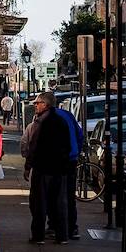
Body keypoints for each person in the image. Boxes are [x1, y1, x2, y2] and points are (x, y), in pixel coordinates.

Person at [23, 92, 72, 244]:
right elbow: (68, 146)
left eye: (37, 103)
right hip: (60, 169)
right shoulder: (62, 121)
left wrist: (28, 167)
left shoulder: (40, 122)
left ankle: (38, 236)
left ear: (46, 104)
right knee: (59, 204)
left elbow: (33, 146)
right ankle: (62, 236)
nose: (35, 105)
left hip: (42, 169)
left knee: (39, 203)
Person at [54, 99, 84, 240]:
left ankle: (57, 227)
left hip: (56, 161)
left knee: (54, 195)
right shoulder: (68, 115)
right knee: (69, 195)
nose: (36, 106)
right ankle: (72, 228)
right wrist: (76, 151)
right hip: (71, 159)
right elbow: (80, 135)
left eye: (38, 103)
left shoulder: (47, 118)